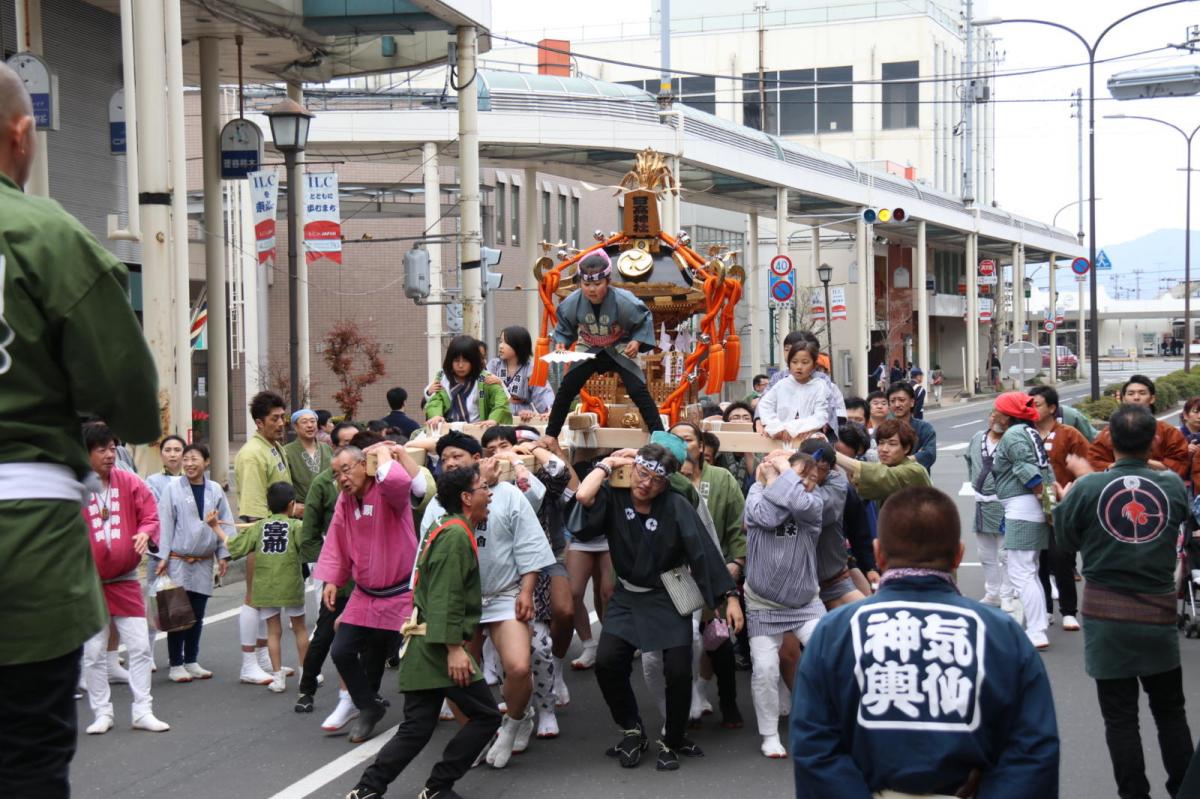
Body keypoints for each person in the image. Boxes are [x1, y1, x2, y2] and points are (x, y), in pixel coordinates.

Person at [0, 61, 160, 795]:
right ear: (21, 132)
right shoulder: (43, 234)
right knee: (28, 754)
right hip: (24, 534)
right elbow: (129, 398)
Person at [790, 486, 1060, 797]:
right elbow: (1032, 752)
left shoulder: (833, 633)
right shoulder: (1003, 634)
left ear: (878, 553)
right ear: (958, 555)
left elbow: (814, 748)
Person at [570, 441, 743, 772]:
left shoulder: (676, 505)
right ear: (632, 469)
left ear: (667, 483)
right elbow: (581, 497)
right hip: (628, 594)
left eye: (655, 479)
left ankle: (673, 738)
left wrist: (729, 597)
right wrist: (608, 463)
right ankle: (631, 728)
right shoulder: (615, 497)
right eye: (642, 473)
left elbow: (703, 553)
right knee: (608, 662)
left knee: (678, 670)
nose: (645, 483)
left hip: (670, 591)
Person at [1055, 403, 1194, 799]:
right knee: (1170, 711)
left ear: (1109, 439)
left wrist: (1074, 493)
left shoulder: (1086, 488)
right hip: (1158, 614)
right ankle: (1185, 788)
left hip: (1106, 616)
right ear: (1154, 440)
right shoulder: (1169, 486)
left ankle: (1134, 795)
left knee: (1120, 718)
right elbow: (1177, 521)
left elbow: (1065, 542)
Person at [345, 466, 502, 799]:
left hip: (425, 643)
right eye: (483, 488)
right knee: (486, 716)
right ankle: (437, 786)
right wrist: (454, 649)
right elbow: (446, 595)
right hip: (439, 647)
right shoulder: (457, 535)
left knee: (417, 727)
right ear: (466, 497)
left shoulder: (445, 525)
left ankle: (367, 789)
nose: (489, 494)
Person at [420, 431, 553, 768]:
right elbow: (425, 559)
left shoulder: (506, 494)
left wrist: (526, 591)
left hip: (503, 593)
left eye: (457, 456)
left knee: (519, 666)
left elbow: (528, 544)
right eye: (444, 458)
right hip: (459, 601)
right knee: (459, 674)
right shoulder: (438, 504)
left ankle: (515, 721)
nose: (449, 462)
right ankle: (477, 734)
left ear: (477, 459)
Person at [316, 440, 425, 743]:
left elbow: (401, 482)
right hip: (365, 593)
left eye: (346, 470)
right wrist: (332, 580)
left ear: (364, 465)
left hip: (400, 592)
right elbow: (336, 538)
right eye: (336, 475)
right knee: (341, 650)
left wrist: (383, 453)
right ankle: (369, 705)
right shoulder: (345, 501)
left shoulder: (388, 492)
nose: (342, 479)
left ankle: (428, 708)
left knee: (414, 655)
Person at [481, 425, 577, 736]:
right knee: (513, 653)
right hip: (501, 576)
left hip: (544, 557)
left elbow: (557, 476)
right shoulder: (478, 484)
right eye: (491, 449)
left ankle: (547, 702)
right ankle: (517, 712)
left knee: (550, 630)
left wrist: (527, 453)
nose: (499, 453)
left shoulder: (530, 473)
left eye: (504, 444)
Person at [80, 423, 168, 735]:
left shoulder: (129, 480)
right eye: (101, 449)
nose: (109, 455)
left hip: (126, 579)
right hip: (89, 585)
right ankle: (102, 712)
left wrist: (145, 533)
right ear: (86, 452)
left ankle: (142, 710)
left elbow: (150, 514)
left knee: (140, 647)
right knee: (92, 654)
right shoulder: (75, 487)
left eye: (112, 448)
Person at [743, 449, 825, 758]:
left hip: (805, 601)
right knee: (764, 668)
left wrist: (781, 473)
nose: (805, 483)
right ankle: (769, 734)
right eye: (800, 475)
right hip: (763, 603)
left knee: (825, 653)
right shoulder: (755, 494)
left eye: (810, 479)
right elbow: (767, 517)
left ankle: (828, 722)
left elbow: (799, 504)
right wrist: (773, 478)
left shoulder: (813, 505)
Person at [667, 422, 747, 729]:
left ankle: (728, 700)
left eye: (687, 439)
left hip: (716, 569)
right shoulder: (667, 481)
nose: (682, 444)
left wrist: (736, 563)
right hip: (678, 575)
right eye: (675, 439)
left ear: (701, 446)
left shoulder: (722, 478)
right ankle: (686, 699)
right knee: (685, 641)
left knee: (719, 639)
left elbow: (737, 527)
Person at [542, 250, 661, 438]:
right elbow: (564, 326)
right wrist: (561, 343)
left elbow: (643, 318)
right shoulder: (572, 302)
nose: (591, 289)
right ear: (580, 282)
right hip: (589, 346)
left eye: (597, 284)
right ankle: (550, 436)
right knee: (568, 387)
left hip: (619, 346)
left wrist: (636, 342)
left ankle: (659, 434)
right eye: (586, 284)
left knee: (637, 389)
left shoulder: (624, 300)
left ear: (608, 281)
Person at [294, 422, 363, 714]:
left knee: (369, 636)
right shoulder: (323, 483)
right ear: (334, 448)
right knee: (325, 632)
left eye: (353, 442)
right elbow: (309, 530)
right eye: (342, 442)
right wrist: (321, 568)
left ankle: (362, 693)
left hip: (368, 572)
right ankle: (306, 687)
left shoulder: (373, 482)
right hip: (338, 571)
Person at [153, 443, 232, 683]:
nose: (188, 463)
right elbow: (165, 523)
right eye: (186, 459)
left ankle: (191, 659)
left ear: (206, 462)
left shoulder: (215, 489)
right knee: (177, 613)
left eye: (194, 458)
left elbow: (225, 521)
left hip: (204, 561)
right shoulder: (173, 488)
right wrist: (162, 557)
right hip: (178, 559)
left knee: (197, 613)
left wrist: (224, 554)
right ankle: (176, 663)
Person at [220, 482, 309, 694]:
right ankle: (306, 673)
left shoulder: (259, 527)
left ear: (268, 506)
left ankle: (277, 677)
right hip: (291, 585)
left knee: (273, 631)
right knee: (300, 628)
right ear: (291, 504)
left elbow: (235, 546)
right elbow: (309, 547)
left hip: (266, 587)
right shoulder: (296, 526)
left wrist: (216, 526)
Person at [990, 391, 1053, 650]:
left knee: (1021, 571)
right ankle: (1037, 627)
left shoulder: (1015, 435)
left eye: (997, 410)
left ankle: (1037, 631)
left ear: (1008, 415)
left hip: (1023, 506)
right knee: (1029, 570)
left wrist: (1046, 502)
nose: (993, 414)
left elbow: (1027, 471)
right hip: (1027, 506)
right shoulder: (1030, 432)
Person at [1029, 386, 1088, 632]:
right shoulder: (1023, 433)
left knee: (1061, 557)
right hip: (1030, 505)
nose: (1032, 409)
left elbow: (1085, 465)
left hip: (1062, 503)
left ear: (1052, 408)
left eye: (1038, 404)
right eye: (1029, 405)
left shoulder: (1069, 434)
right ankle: (1044, 609)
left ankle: (1069, 610)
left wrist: (1071, 490)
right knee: (1037, 559)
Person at [1089, 375, 1188, 479]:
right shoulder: (1109, 432)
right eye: (1131, 393)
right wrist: (1124, 466)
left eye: (1142, 393)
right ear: (1123, 399)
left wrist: (1134, 462)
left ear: (1152, 398)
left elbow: (1180, 464)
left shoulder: (1169, 432)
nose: (1136, 398)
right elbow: (1094, 461)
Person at [964, 407, 1013, 613]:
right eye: (992, 414)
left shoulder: (1012, 440)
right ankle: (992, 592)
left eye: (1001, 414)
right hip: (982, 502)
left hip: (1004, 502)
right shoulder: (977, 437)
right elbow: (969, 462)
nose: (995, 418)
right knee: (985, 552)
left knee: (1006, 553)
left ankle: (1007, 593)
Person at [834, 419, 931, 506]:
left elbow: (882, 475)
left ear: (906, 448)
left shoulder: (915, 471)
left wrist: (834, 454)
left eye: (892, 444)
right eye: (881, 443)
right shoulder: (882, 466)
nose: (884, 449)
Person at [425, 335, 513, 428]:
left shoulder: (485, 378)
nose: (460, 365)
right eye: (456, 360)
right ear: (449, 361)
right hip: (447, 430)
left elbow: (501, 402)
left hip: (478, 429)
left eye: (466, 361)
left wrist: (493, 419)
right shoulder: (442, 377)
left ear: (474, 361)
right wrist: (436, 416)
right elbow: (435, 401)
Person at [757, 339, 831, 442]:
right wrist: (778, 427)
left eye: (805, 362)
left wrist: (796, 429)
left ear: (814, 365)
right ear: (789, 364)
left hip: (807, 435)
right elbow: (765, 405)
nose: (799, 367)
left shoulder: (819, 386)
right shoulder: (782, 384)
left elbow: (821, 415)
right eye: (794, 362)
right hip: (780, 435)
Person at [487, 325, 555, 421]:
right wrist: (503, 390)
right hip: (497, 416)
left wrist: (550, 410)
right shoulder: (494, 365)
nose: (501, 346)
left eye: (506, 342)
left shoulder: (530, 368)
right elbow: (485, 391)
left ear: (518, 345)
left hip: (523, 416)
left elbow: (542, 391)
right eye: (500, 341)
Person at [284, 409, 332, 505]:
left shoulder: (327, 448)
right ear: (295, 427)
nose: (310, 425)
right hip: (302, 509)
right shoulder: (286, 451)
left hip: (328, 505)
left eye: (313, 421)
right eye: (304, 422)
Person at [886, 381, 936, 471]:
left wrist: (897, 461)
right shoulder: (883, 429)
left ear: (912, 402)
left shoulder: (925, 428)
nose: (897, 405)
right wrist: (914, 457)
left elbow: (929, 454)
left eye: (901, 400)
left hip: (918, 482)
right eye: (892, 401)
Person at [146, 434, 185, 500]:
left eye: (177, 450)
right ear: (161, 455)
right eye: (167, 450)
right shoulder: (152, 482)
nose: (172, 455)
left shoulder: (193, 479)